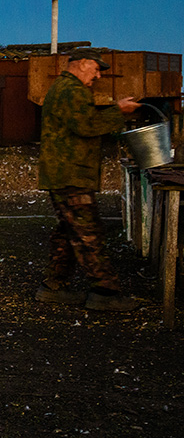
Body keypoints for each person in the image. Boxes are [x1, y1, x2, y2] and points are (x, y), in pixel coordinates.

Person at [35, 48, 141, 311]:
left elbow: (83, 124)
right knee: (89, 233)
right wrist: (118, 111)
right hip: (71, 174)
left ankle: (53, 287)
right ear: (81, 64)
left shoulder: (62, 88)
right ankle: (105, 292)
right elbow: (87, 125)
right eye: (95, 69)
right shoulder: (72, 91)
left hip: (64, 173)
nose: (97, 76)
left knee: (70, 231)